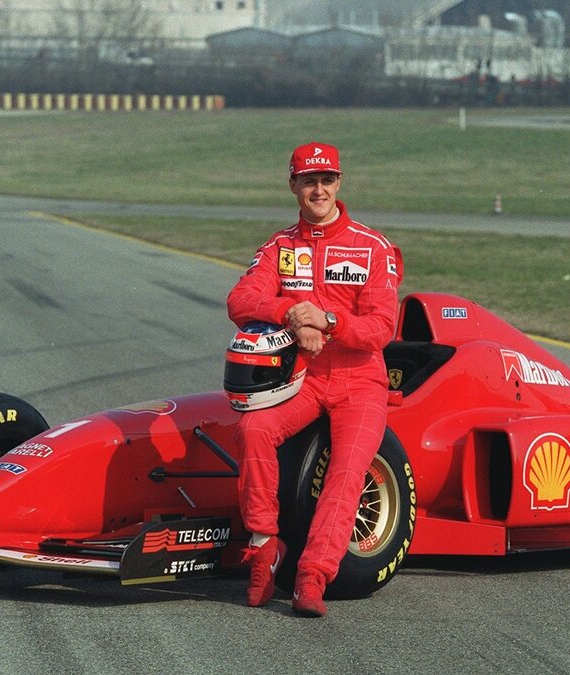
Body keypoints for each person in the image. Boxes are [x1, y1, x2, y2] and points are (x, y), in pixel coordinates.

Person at [227, 141, 402, 617]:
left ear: (339, 183)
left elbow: (381, 329)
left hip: (360, 382)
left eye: (327, 180)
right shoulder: (280, 246)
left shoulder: (372, 247)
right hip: (300, 380)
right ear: (293, 186)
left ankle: (313, 575)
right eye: (308, 181)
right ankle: (265, 547)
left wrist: (327, 321)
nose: (318, 189)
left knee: (347, 474)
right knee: (253, 429)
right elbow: (240, 302)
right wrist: (291, 312)